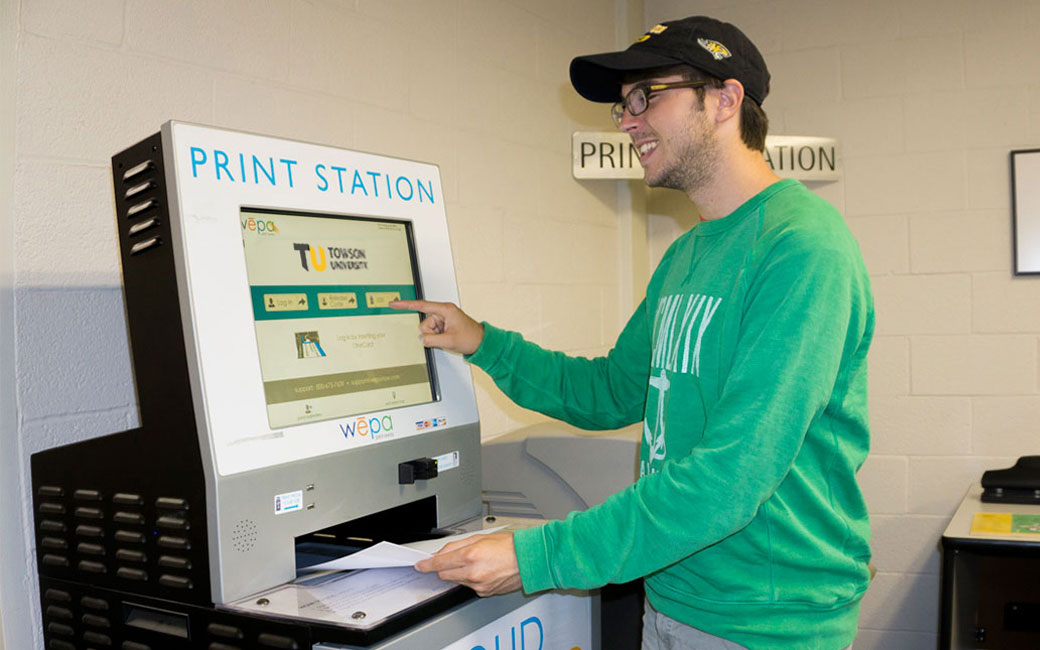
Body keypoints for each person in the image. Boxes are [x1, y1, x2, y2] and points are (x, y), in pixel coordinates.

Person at [391, 15, 873, 650]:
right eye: (623, 106)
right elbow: (612, 390)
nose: (626, 121)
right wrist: (483, 342)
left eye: (645, 96)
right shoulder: (688, 253)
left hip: (765, 619)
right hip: (673, 597)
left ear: (725, 100)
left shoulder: (801, 246)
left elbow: (732, 476)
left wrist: (538, 555)